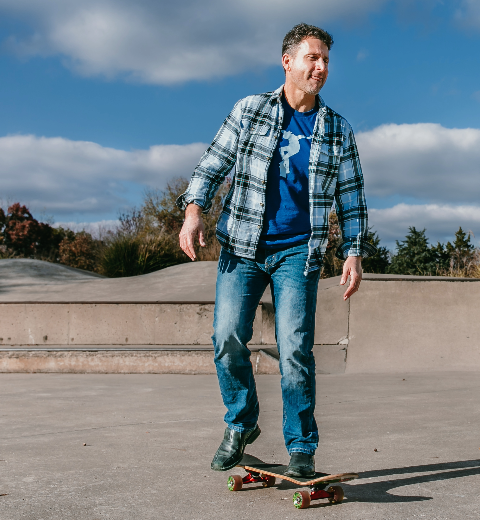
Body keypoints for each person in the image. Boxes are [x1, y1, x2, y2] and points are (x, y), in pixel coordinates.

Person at [175, 23, 372, 478]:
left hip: (298, 254)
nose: (320, 68)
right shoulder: (251, 110)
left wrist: (353, 252)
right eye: (312, 58)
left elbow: (353, 197)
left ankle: (301, 447)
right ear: (288, 61)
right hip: (242, 247)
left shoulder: (337, 128)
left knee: (295, 350)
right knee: (226, 338)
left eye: (325, 61)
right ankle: (241, 424)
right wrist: (193, 210)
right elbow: (213, 162)